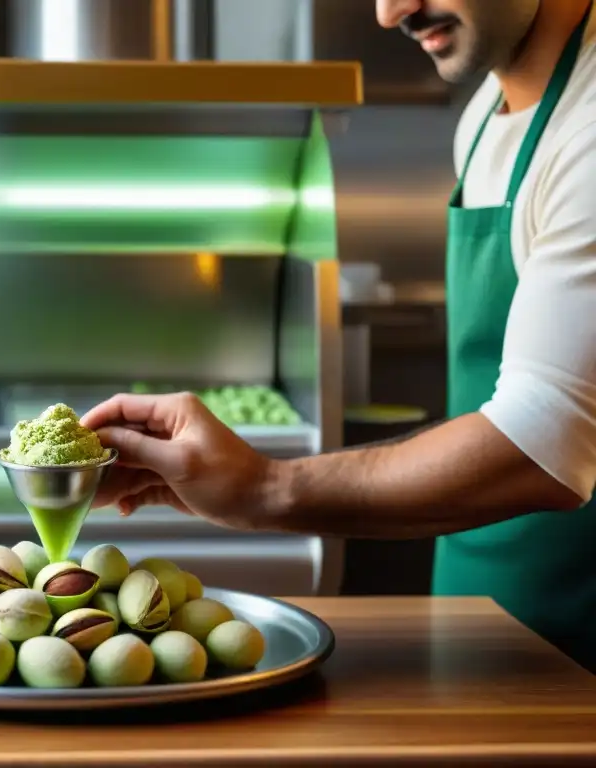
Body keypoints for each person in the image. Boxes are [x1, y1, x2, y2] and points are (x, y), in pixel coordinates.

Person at [82, 0, 596, 671]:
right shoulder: (479, 122)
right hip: (483, 619)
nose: (392, 12)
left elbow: (546, 442)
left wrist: (266, 489)